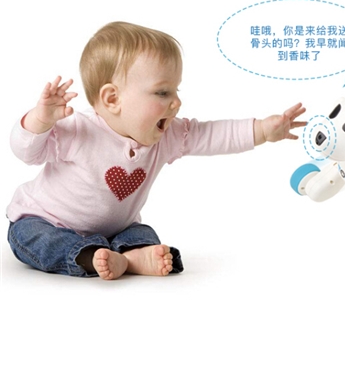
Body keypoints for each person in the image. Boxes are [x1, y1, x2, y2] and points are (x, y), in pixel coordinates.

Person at [7, 22, 306, 280]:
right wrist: (40, 120)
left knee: (140, 232)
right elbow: (26, 152)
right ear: (112, 99)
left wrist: (262, 130)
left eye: (176, 90)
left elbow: (211, 135)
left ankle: (132, 255)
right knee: (30, 237)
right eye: (163, 92)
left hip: (115, 229)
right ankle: (88, 257)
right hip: (46, 219)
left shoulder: (166, 136)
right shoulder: (78, 131)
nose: (176, 102)